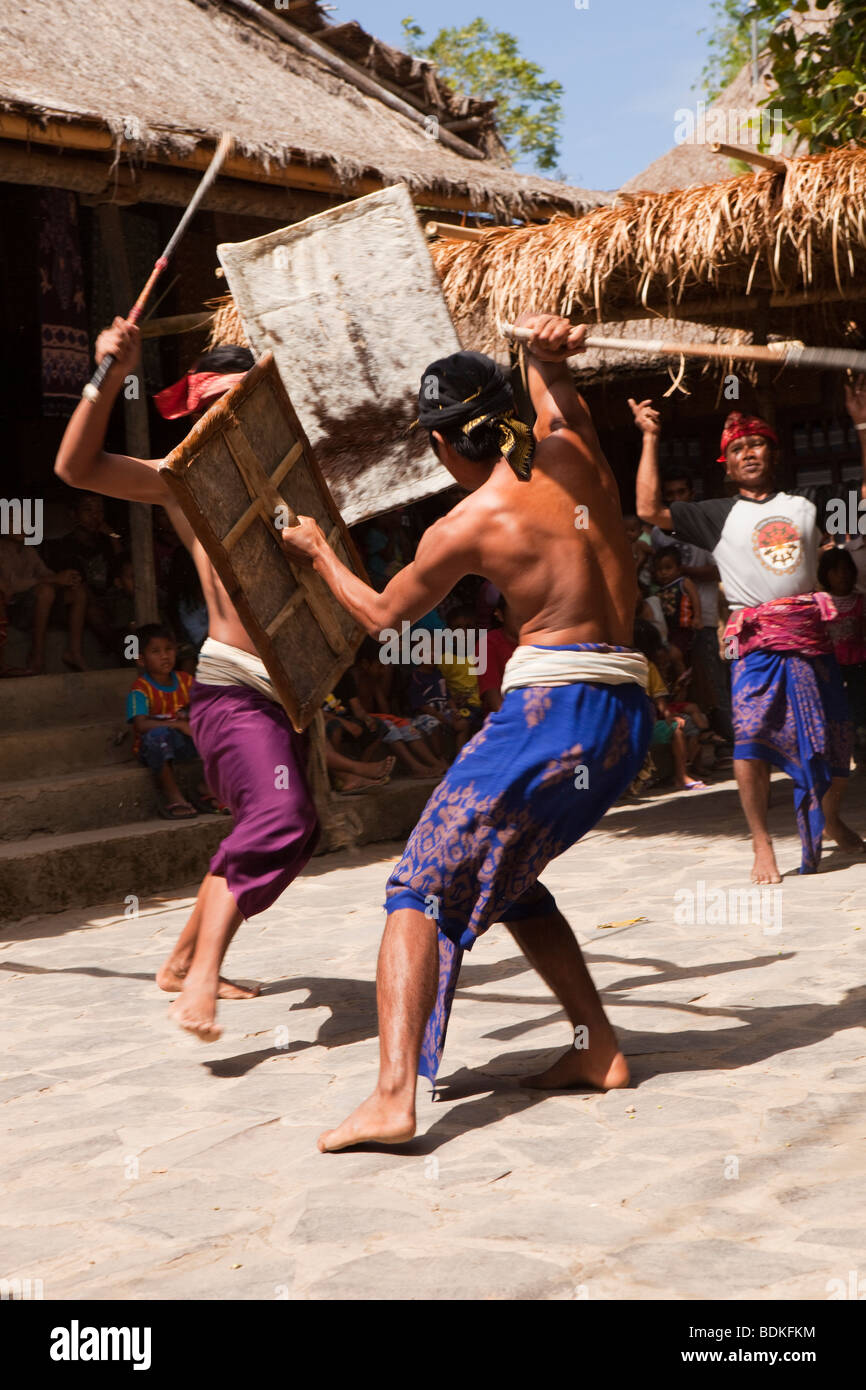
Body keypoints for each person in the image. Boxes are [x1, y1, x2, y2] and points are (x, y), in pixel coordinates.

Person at [280, 314, 652, 1152]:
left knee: (416, 887)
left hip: (550, 713)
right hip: (626, 718)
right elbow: (556, 388)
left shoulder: (465, 526)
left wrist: (316, 553)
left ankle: (391, 1097)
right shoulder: (575, 453)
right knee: (511, 877)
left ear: (447, 444)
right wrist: (546, 354)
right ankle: (599, 1051)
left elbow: (380, 614)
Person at [55, 322, 319, 1040]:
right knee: (278, 818)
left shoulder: (299, 472)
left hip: (292, 691)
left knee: (293, 831)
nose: (226, 419)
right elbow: (76, 468)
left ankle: (178, 962)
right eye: (214, 405)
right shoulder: (184, 478)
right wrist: (110, 371)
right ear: (198, 411)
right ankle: (199, 981)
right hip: (230, 689)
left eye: (242, 403)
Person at [635, 398, 866, 883]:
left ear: (773, 452)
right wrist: (650, 436)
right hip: (756, 647)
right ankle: (762, 844)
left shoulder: (805, 504)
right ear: (727, 462)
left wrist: (862, 423)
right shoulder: (714, 514)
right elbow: (647, 509)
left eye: (757, 443)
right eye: (738, 448)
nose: (749, 453)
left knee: (835, 742)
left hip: (811, 642)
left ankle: (832, 818)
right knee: (751, 745)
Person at [128, 623, 218, 818]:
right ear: (141, 659)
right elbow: (141, 725)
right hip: (154, 747)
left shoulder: (185, 680)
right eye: (156, 651)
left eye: (169, 649)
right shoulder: (140, 689)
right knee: (157, 736)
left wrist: (192, 716)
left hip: (184, 742)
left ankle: (208, 787)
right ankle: (173, 795)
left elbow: (204, 705)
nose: (165, 656)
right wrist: (178, 724)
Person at [0, 525, 87, 675]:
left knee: (78, 592)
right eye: (13, 522)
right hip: (14, 609)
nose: (20, 527)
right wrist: (53, 578)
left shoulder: (28, 550)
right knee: (45, 591)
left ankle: (74, 652)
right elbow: (11, 586)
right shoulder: (2, 550)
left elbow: (45, 573)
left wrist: (66, 579)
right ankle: (37, 656)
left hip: (37, 606)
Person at [816, 547, 866, 761]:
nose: (842, 575)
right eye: (836, 571)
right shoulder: (817, 603)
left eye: (846, 570)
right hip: (828, 667)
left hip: (859, 665)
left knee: (860, 711)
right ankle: (836, 756)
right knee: (833, 712)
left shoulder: (861, 602)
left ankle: (861, 754)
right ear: (825, 574)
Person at [650, 544, 701, 662]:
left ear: (679, 569)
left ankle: (682, 676)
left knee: (675, 654)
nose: (663, 572)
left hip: (683, 628)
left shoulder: (683, 582)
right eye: (659, 569)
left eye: (668, 568)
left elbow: (695, 597)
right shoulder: (658, 590)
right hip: (667, 629)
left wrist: (698, 617)